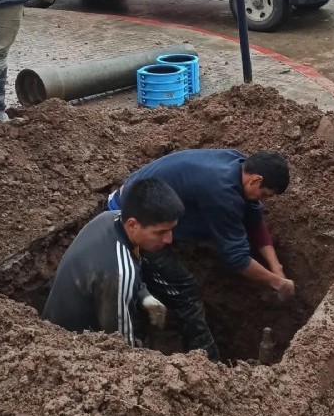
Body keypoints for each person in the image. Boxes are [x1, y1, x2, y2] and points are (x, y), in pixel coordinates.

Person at [107, 149, 295, 361]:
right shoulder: (222, 192)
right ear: (256, 180)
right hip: (130, 224)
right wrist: (276, 283)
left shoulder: (238, 164)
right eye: (265, 195)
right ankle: (206, 361)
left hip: (143, 203)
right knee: (187, 291)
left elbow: (254, 219)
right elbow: (237, 257)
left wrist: (276, 268)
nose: (263, 199)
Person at [42, 178, 184, 346]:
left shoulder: (109, 218)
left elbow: (131, 263)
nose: (169, 239)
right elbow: (120, 347)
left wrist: (143, 294)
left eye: (170, 230)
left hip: (51, 325)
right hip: (70, 350)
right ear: (133, 225)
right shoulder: (119, 273)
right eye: (160, 232)